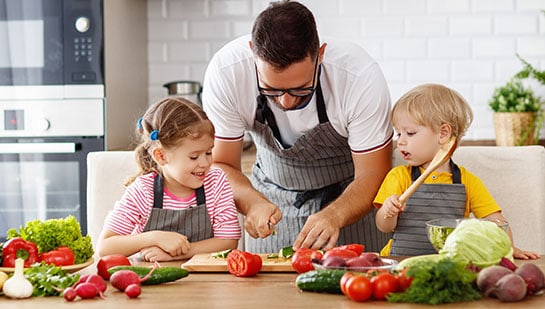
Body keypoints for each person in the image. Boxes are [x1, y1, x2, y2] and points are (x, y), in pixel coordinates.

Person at [202, 0, 393, 253]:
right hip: (273, 202)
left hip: (350, 202)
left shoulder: (357, 76)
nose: (286, 101)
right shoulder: (227, 72)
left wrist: (335, 215)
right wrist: (252, 203)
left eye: (301, 90)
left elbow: (373, 174)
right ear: (253, 54)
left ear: (320, 55)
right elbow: (221, 165)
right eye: (271, 90)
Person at [374, 83, 539, 259]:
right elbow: (384, 226)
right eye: (399, 134)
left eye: (410, 133)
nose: (400, 141)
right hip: (401, 262)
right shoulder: (399, 176)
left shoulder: (467, 181)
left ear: (443, 133)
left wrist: (509, 247)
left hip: (451, 263)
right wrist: (388, 211)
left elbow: (496, 221)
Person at [97, 97, 241, 262]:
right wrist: (155, 238)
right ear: (161, 156)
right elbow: (105, 247)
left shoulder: (216, 182)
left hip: (207, 282)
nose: (205, 163)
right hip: (152, 281)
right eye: (194, 157)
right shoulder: (143, 191)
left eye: (208, 152)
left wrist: (182, 252)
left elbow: (229, 241)